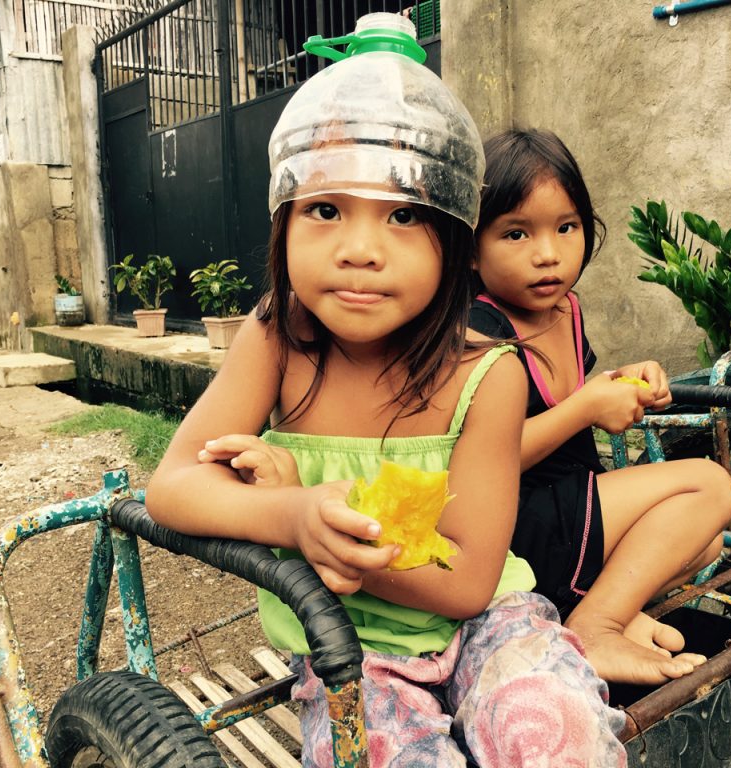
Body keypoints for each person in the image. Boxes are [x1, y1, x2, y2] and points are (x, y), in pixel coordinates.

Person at [146, 16, 627, 766]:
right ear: (283, 222)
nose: (360, 250)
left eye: (402, 214)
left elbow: (467, 585)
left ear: (455, 240)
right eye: (325, 209)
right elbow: (173, 486)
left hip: (493, 625)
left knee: (556, 732)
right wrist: (293, 514)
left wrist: (331, 537)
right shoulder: (277, 338)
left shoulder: (487, 373)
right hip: (347, 650)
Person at [469, 128, 731, 687]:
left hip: (570, 502)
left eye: (566, 227)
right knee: (711, 487)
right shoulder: (478, 330)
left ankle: (591, 607)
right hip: (513, 529)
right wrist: (590, 405)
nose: (548, 254)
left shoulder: (564, 309)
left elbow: (570, 398)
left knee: (702, 539)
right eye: (516, 233)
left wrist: (624, 381)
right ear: (471, 250)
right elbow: (483, 463)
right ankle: (597, 627)